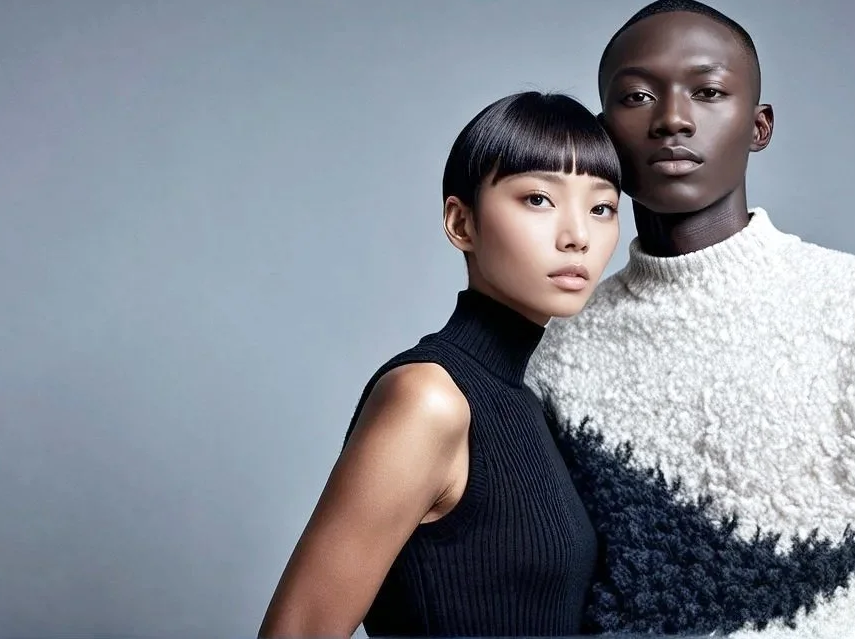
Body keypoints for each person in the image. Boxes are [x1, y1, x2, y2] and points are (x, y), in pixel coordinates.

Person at [526, 0, 855, 638]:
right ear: (603, 134)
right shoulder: (558, 347)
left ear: (759, 126)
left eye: (707, 91)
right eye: (639, 97)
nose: (673, 119)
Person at [259, 91, 624, 638]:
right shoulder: (430, 398)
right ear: (461, 222)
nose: (577, 237)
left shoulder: (527, 402)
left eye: (601, 208)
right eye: (538, 199)